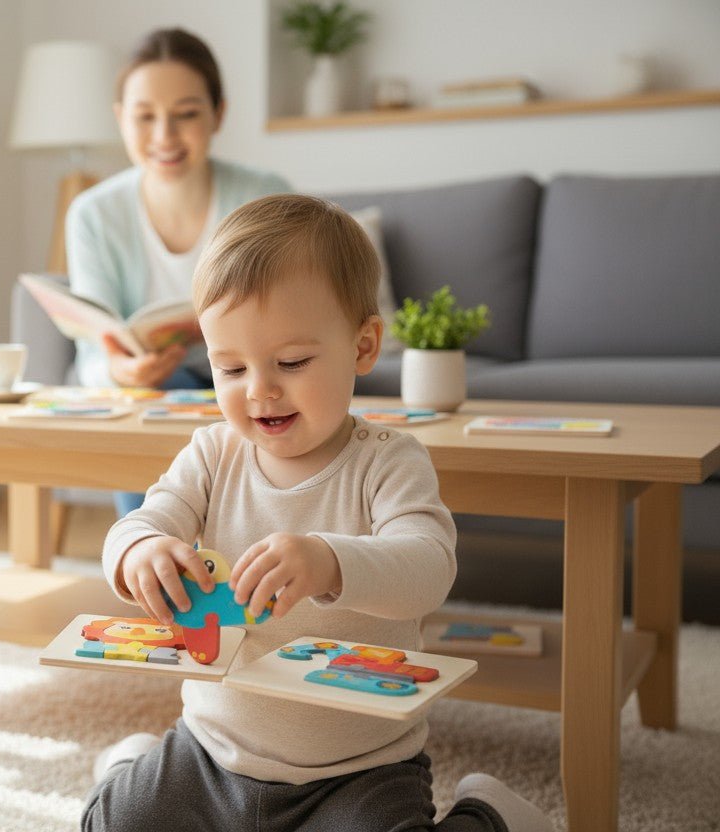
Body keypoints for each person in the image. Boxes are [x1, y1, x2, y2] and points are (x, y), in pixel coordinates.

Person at [82, 194, 552, 832]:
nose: (260, 389)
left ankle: (491, 811)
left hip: (359, 770)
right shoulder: (212, 454)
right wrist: (139, 552)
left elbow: (429, 567)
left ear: (363, 347)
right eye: (230, 367)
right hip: (214, 752)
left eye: (292, 362)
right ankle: (127, 766)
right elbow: (141, 523)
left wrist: (331, 562)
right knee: (115, 822)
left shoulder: (388, 461)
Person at [64, 28, 291, 517]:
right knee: (145, 395)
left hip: (249, 378)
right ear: (121, 119)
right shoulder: (93, 214)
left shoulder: (265, 196)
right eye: (145, 117)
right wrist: (120, 371)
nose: (164, 136)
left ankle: (162, 542)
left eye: (186, 114)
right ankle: (151, 545)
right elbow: (92, 349)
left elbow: (290, 314)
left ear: (218, 114)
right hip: (147, 390)